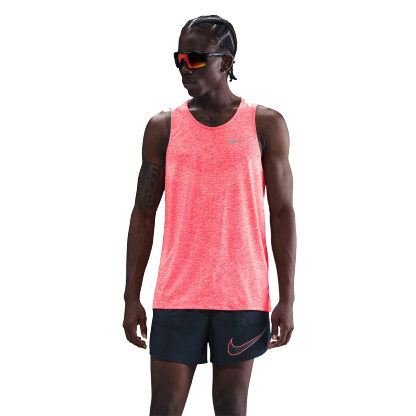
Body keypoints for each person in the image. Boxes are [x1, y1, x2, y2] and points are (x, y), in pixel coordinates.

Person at [123, 14, 297, 416]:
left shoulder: (266, 124)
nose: (185, 67)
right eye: (179, 58)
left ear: (227, 62)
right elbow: (143, 214)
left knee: (231, 408)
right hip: (177, 293)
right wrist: (131, 296)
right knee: (164, 407)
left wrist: (287, 298)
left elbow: (283, 213)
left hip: (242, 296)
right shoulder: (163, 127)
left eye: (196, 58)